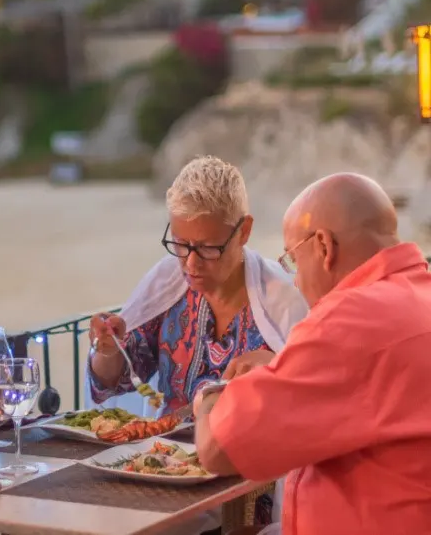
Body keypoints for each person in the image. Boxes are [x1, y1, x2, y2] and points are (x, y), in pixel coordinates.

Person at [194, 172, 431, 535]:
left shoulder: (350, 319)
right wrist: (283, 366)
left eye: (292, 260)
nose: (296, 281)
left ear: (323, 246)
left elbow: (219, 448)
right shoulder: (418, 296)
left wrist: (210, 398)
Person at [86, 156, 308, 534]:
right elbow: (120, 377)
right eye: (180, 244)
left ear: (244, 231)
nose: (190, 264)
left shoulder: (283, 302)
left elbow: (312, 401)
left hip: (248, 485)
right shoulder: (166, 286)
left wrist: (276, 370)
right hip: (163, 470)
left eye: (206, 248)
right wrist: (107, 351)